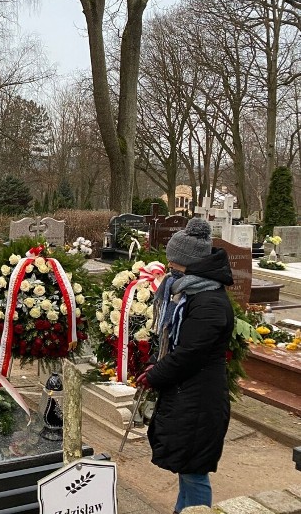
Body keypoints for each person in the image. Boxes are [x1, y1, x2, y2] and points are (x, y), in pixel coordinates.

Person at [136, 217, 234, 513]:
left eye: (173, 263)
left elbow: (189, 353)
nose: (169, 268)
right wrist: (156, 366)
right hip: (190, 394)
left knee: (194, 471)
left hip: (199, 398)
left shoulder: (209, 303)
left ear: (186, 263)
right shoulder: (193, 292)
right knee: (188, 469)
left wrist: (156, 376)